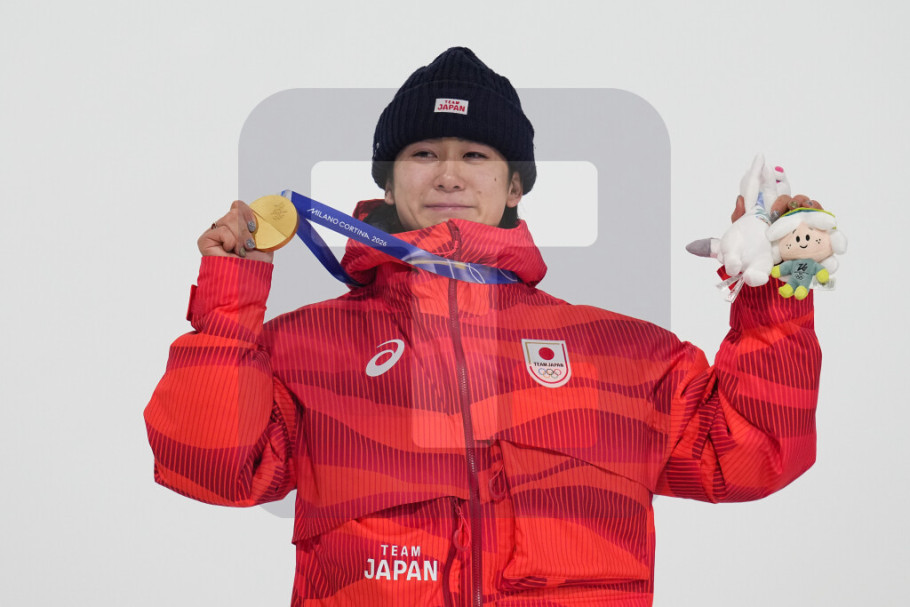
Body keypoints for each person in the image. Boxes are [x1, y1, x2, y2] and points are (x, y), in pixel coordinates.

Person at [145, 47, 822, 607]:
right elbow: (212, 466)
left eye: (474, 155)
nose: (448, 174)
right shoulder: (306, 349)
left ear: (514, 185)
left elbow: (751, 452)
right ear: (388, 184)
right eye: (423, 154)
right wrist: (228, 306)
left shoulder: (625, 355)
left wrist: (776, 297)